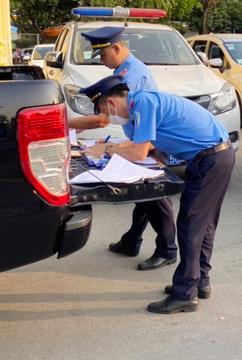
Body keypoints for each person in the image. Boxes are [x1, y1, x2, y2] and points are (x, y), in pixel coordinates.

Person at [80, 75, 235, 314]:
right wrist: (113, 147)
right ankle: (199, 281)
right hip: (214, 157)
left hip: (211, 160)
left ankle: (185, 294)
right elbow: (144, 144)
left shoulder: (143, 104)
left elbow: (139, 153)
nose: (107, 118)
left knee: (191, 226)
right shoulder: (141, 104)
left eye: (104, 111)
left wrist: (106, 149)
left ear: (111, 102)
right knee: (203, 226)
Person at [74, 26, 178, 271]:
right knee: (143, 197)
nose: (101, 61)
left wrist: (64, 124)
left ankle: (167, 250)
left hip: (148, 143)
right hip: (140, 140)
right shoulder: (125, 71)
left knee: (155, 198)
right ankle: (132, 241)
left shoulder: (131, 77)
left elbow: (103, 119)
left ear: (116, 48)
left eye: (103, 55)